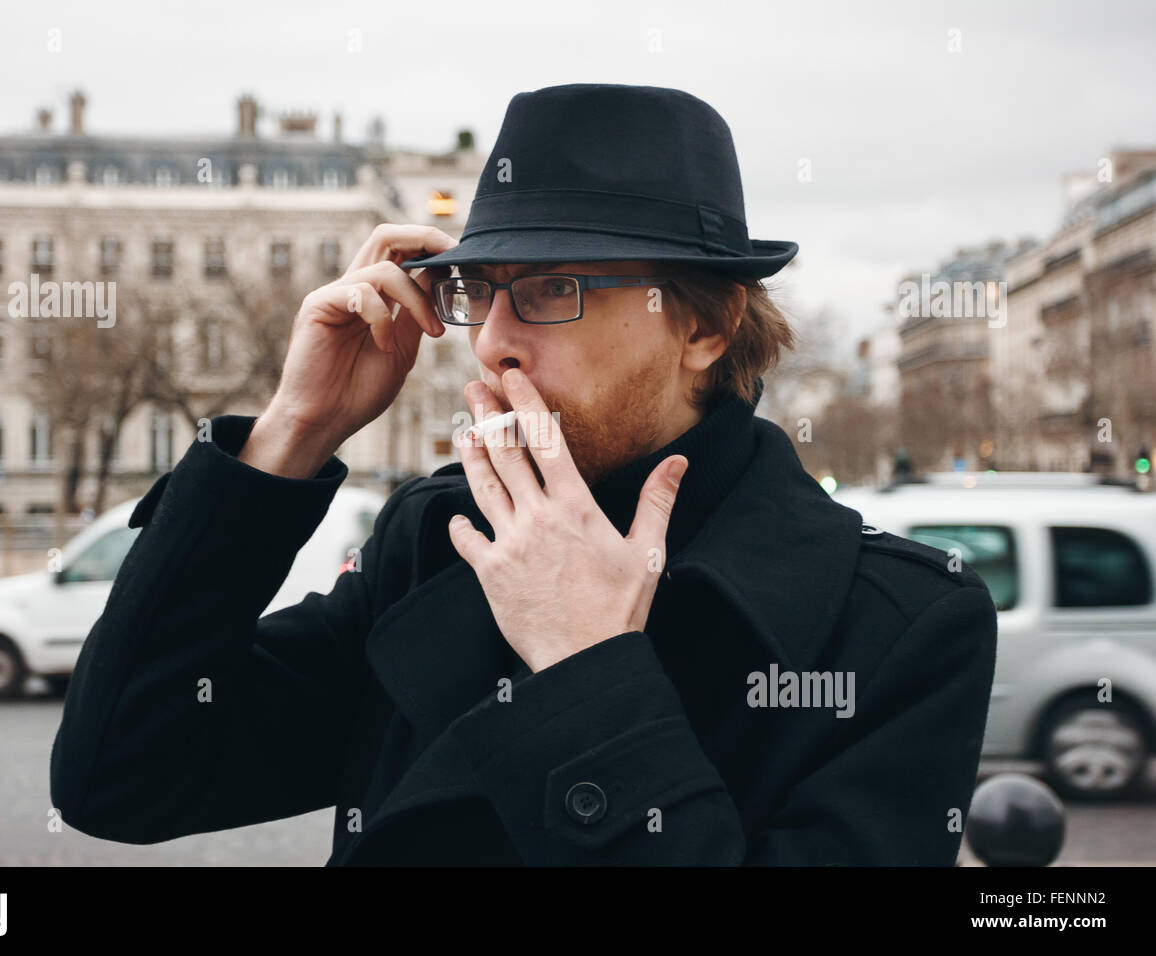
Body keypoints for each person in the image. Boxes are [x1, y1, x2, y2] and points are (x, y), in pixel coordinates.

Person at [50, 84, 997, 865]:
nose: (494, 343)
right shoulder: (437, 542)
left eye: (553, 289)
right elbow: (123, 775)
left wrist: (591, 673)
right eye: (478, 292)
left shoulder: (898, 626)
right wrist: (293, 432)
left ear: (704, 326)